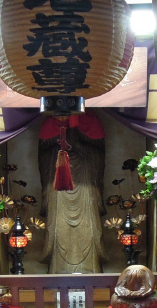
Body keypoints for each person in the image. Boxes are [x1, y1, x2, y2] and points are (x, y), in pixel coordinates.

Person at [37, 113, 107, 274]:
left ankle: (91, 269)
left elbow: (99, 155)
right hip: (58, 181)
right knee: (57, 224)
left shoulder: (92, 121)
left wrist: (78, 142)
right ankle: (58, 270)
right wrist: (59, 142)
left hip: (86, 180)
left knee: (89, 224)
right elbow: (43, 156)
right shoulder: (50, 123)